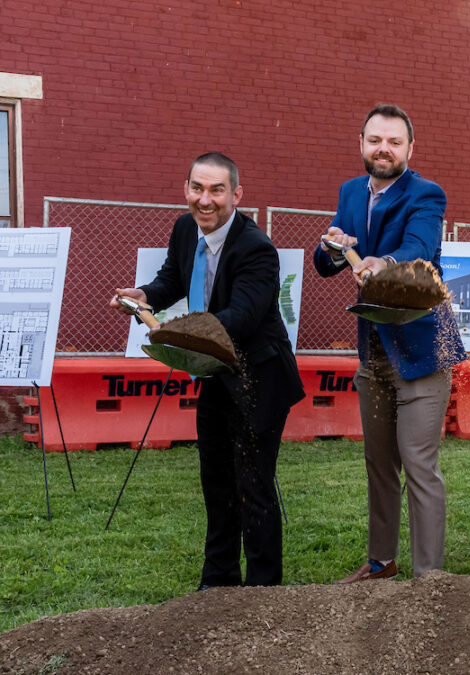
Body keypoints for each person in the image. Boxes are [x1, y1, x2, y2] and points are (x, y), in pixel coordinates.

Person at [110, 152, 305, 589]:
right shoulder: (185, 230)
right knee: (216, 482)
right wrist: (143, 296)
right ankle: (217, 583)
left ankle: (263, 590)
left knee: (252, 486)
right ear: (186, 190)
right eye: (198, 188)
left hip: (260, 377)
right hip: (215, 373)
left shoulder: (256, 247)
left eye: (217, 190)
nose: (206, 199)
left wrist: (178, 334)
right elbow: (172, 281)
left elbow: (241, 317)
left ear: (236, 195)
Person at [313, 103, 465, 582]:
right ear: (361, 144)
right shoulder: (350, 191)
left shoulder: (427, 194)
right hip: (373, 347)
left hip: (422, 345)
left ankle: (428, 576)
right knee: (379, 462)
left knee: (418, 462)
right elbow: (328, 264)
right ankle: (381, 562)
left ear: (409, 148)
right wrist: (330, 245)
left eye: (394, 142)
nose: (384, 149)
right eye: (375, 140)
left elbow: (419, 248)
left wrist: (382, 262)